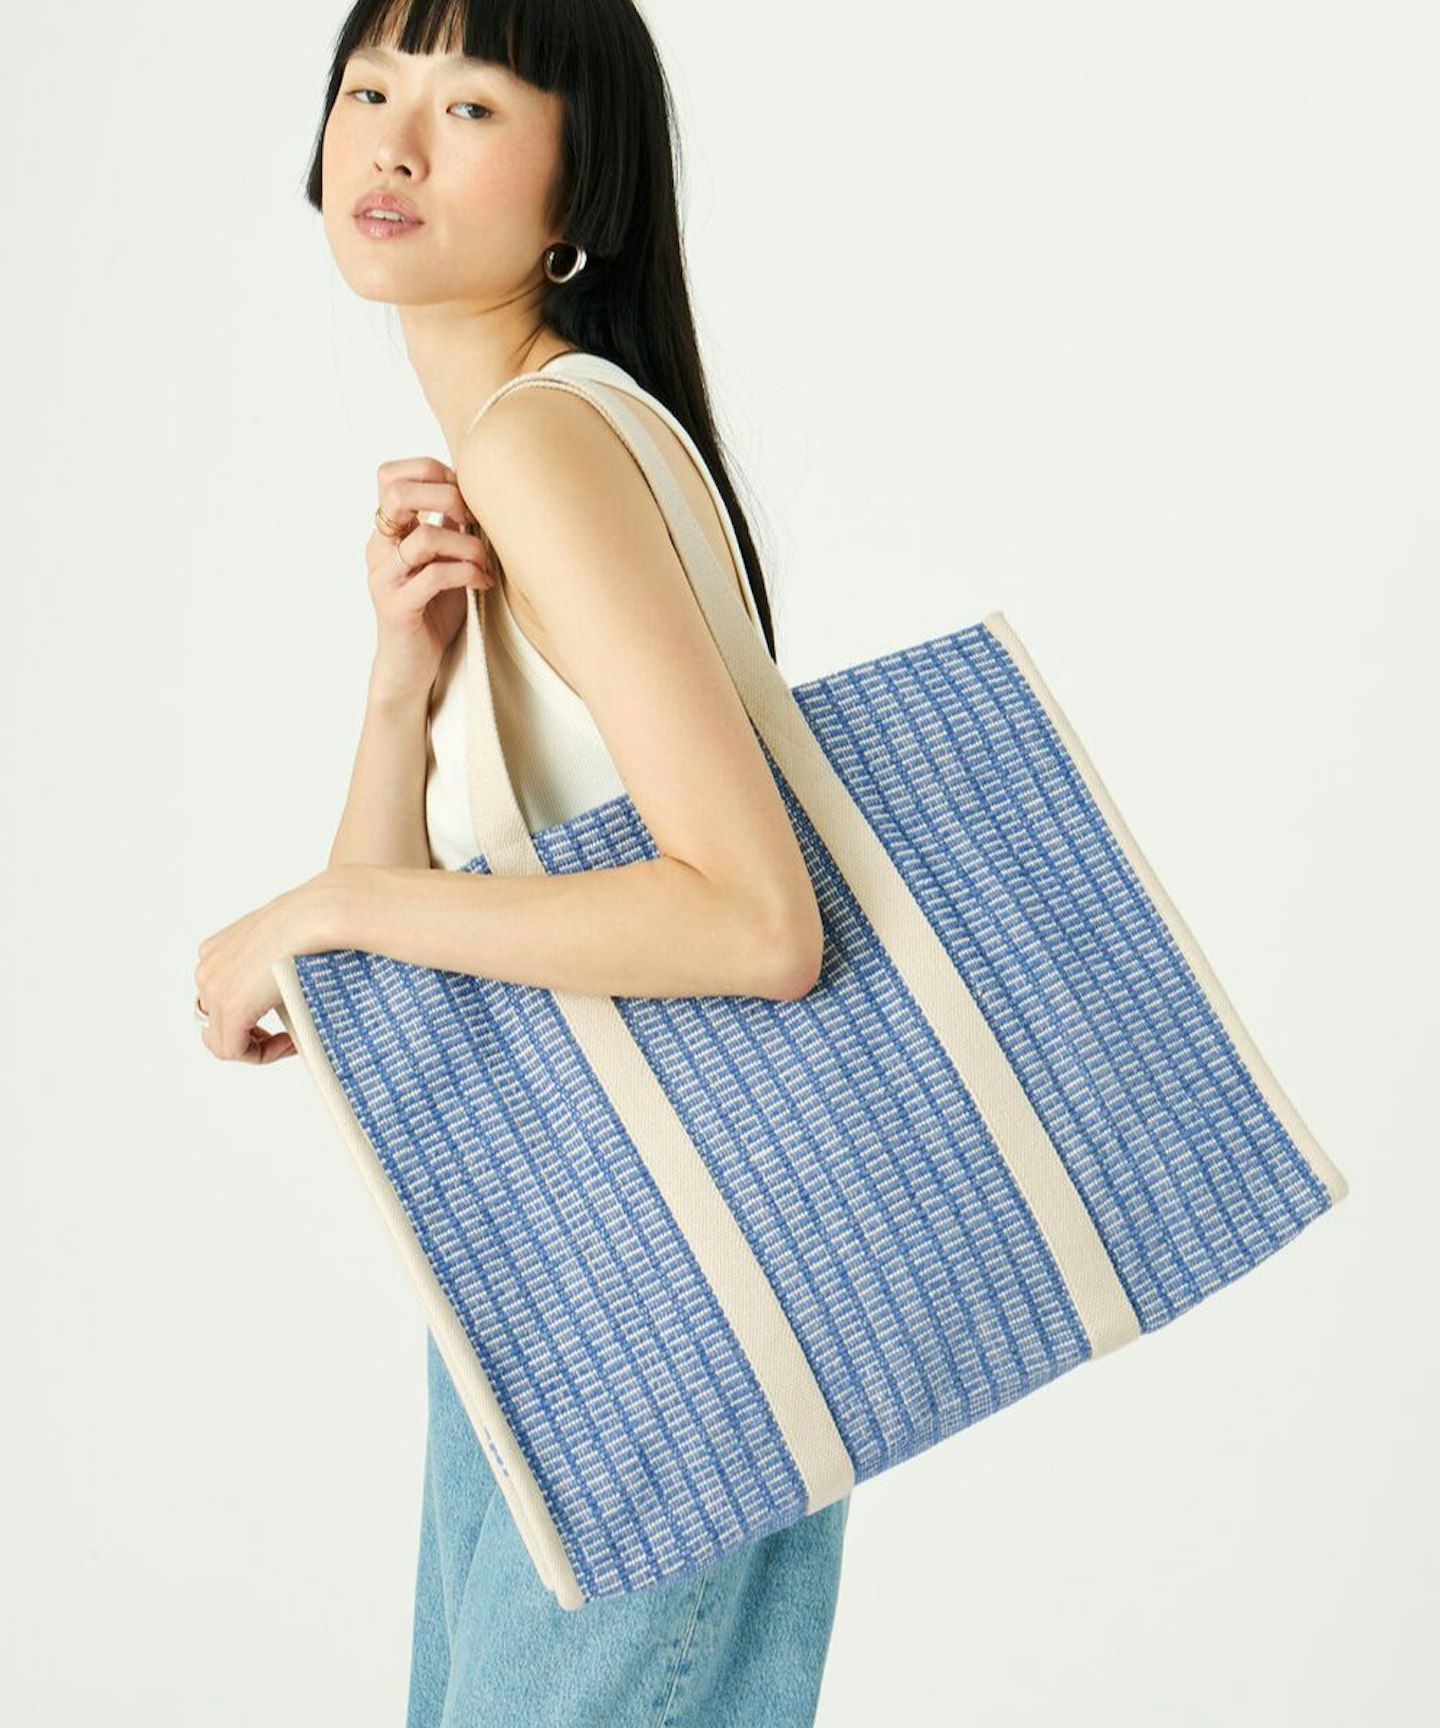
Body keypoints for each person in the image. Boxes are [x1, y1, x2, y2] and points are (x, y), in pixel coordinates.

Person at [195, 0, 850, 1722]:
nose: (395, 141)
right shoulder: (537, 442)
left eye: (474, 104)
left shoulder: (543, 440)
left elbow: (758, 922)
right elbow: (387, 992)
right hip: (562, 1255)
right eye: (370, 87)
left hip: (665, 1284)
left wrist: (320, 904)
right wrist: (402, 689)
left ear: (584, 186)